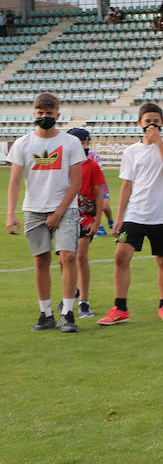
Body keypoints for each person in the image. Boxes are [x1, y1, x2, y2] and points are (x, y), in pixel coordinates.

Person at [6, 93, 84, 332]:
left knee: (68, 257)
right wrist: (11, 214)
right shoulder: (23, 143)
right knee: (41, 260)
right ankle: (46, 314)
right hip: (34, 209)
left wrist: (59, 212)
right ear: (34, 114)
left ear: (58, 115)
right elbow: (15, 181)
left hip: (65, 208)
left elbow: (76, 182)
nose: (44, 117)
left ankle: (68, 313)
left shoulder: (70, 143)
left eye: (49, 113)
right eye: (40, 113)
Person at [99, 103, 163, 325]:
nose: (151, 124)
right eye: (147, 121)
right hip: (135, 215)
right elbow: (126, 185)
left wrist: (159, 143)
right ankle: (120, 308)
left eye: (156, 121)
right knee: (120, 256)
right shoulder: (131, 151)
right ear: (139, 124)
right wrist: (119, 216)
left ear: (162, 123)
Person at [66, 128, 107, 319]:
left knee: (81, 256)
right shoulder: (62, 164)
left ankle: (84, 301)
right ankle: (72, 291)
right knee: (65, 258)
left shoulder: (91, 165)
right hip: (65, 216)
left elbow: (99, 195)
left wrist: (97, 221)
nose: (84, 146)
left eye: (85, 142)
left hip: (86, 217)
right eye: (82, 142)